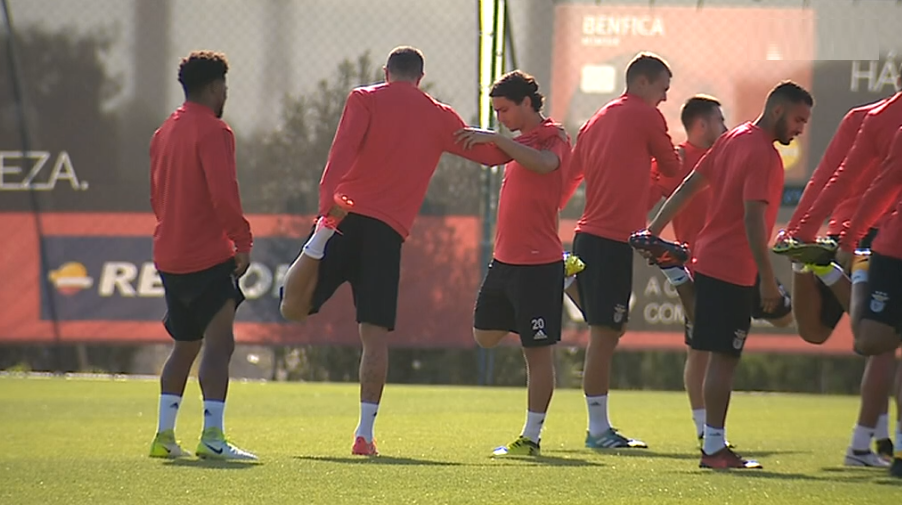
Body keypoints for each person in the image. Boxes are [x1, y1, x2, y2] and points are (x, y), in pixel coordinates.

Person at [277, 46, 512, 456]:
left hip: (343, 218)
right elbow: (491, 158)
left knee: (292, 310)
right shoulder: (439, 116)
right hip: (386, 235)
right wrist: (514, 137)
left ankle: (318, 238)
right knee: (374, 338)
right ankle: (364, 435)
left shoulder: (363, 98)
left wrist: (325, 208)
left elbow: (340, 154)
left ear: (387, 73)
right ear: (420, 78)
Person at [644, 81, 814, 469]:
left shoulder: (732, 138)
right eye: (798, 119)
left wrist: (654, 230)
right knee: (724, 358)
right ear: (776, 111)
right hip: (734, 268)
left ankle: (713, 444)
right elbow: (754, 220)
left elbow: (689, 186)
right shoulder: (763, 155)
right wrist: (768, 278)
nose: (800, 128)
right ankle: (714, 449)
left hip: (708, 260)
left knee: (714, 350)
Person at [560, 52, 681, 450]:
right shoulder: (646, 116)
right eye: (663, 89)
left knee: (610, 329)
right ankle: (598, 431)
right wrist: (658, 185)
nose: (664, 98)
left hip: (590, 236)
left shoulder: (596, 120)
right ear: (643, 82)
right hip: (611, 241)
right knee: (605, 334)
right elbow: (673, 169)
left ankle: (569, 280)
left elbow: (571, 176)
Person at [454, 70, 572, 457]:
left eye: (504, 109)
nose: (500, 117)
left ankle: (531, 437)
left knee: (536, 353)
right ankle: (543, 302)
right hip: (505, 262)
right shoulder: (517, 142)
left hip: (538, 265)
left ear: (526, 102)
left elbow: (545, 165)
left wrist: (499, 140)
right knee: (484, 334)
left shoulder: (554, 136)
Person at [148, 51, 256, 461]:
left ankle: (164, 435)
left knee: (185, 346)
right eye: (224, 86)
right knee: (219, 344)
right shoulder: (214, 131)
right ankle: (212, 436)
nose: (225, 93)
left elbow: (156, 197)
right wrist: (240, 240)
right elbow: (223, 193)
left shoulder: (164, 132)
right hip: (206, 254)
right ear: (214, 87)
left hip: (170, 253)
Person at [778, 97, 897, 466]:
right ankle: (863, 445)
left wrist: (800, 230)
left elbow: (831, 175)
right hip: (879, 234)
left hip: (847, 229)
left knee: (815, 331)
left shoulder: (864, 117)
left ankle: (807, 267)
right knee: (883, 342)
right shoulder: (880, 120)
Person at [835, 125, 902, 478]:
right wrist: (850, 239)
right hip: (894, 252)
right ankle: (856, 276)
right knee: (870, 342)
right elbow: (884, 187)